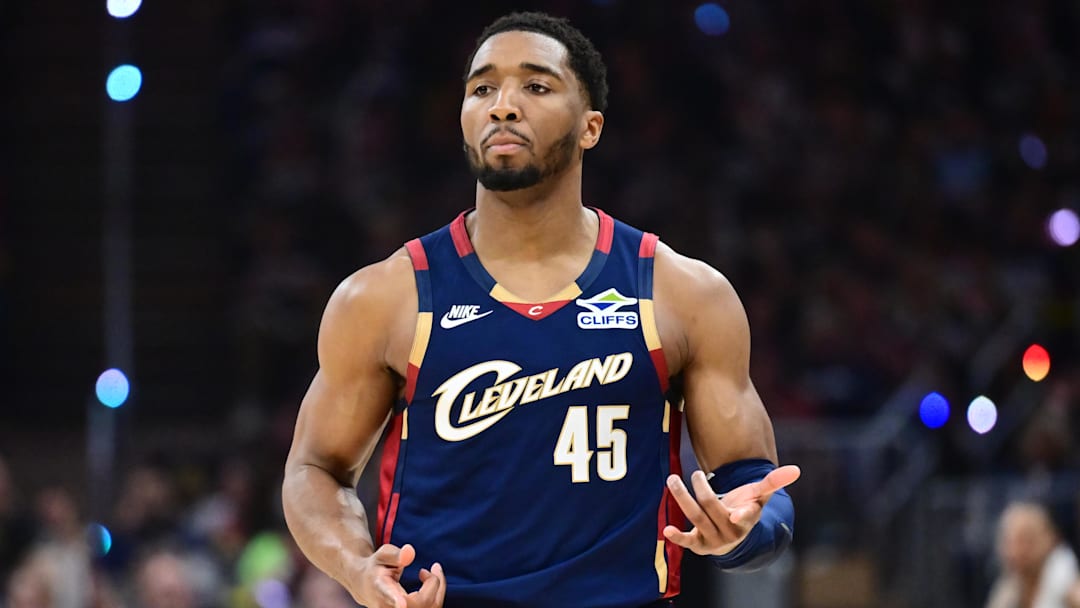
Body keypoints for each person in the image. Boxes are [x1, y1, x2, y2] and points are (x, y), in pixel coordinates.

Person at [282, 11, 800, 608]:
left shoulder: (682, 293)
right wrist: (353, 566)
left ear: (591, 127)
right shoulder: (384, 297)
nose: (502, 105)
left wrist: (742, 531)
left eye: (536, 85)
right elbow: (314, 469)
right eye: (483, 88)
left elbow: (755, 484)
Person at [985, 501, 1079, 608]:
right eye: (1010, 541)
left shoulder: (1066, 580)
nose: (1015, 550)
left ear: (1051, 539)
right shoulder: (1007, 588)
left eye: (1027, 540)